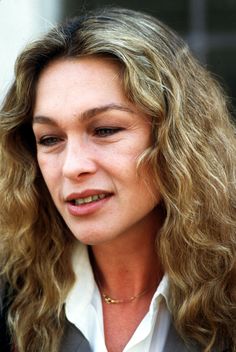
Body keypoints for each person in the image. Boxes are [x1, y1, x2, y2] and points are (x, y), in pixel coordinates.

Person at [0, 6, 235, 352]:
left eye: (105, 130)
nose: (71, 166)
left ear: (176, 138)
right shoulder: (12, 300)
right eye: (50, 139)